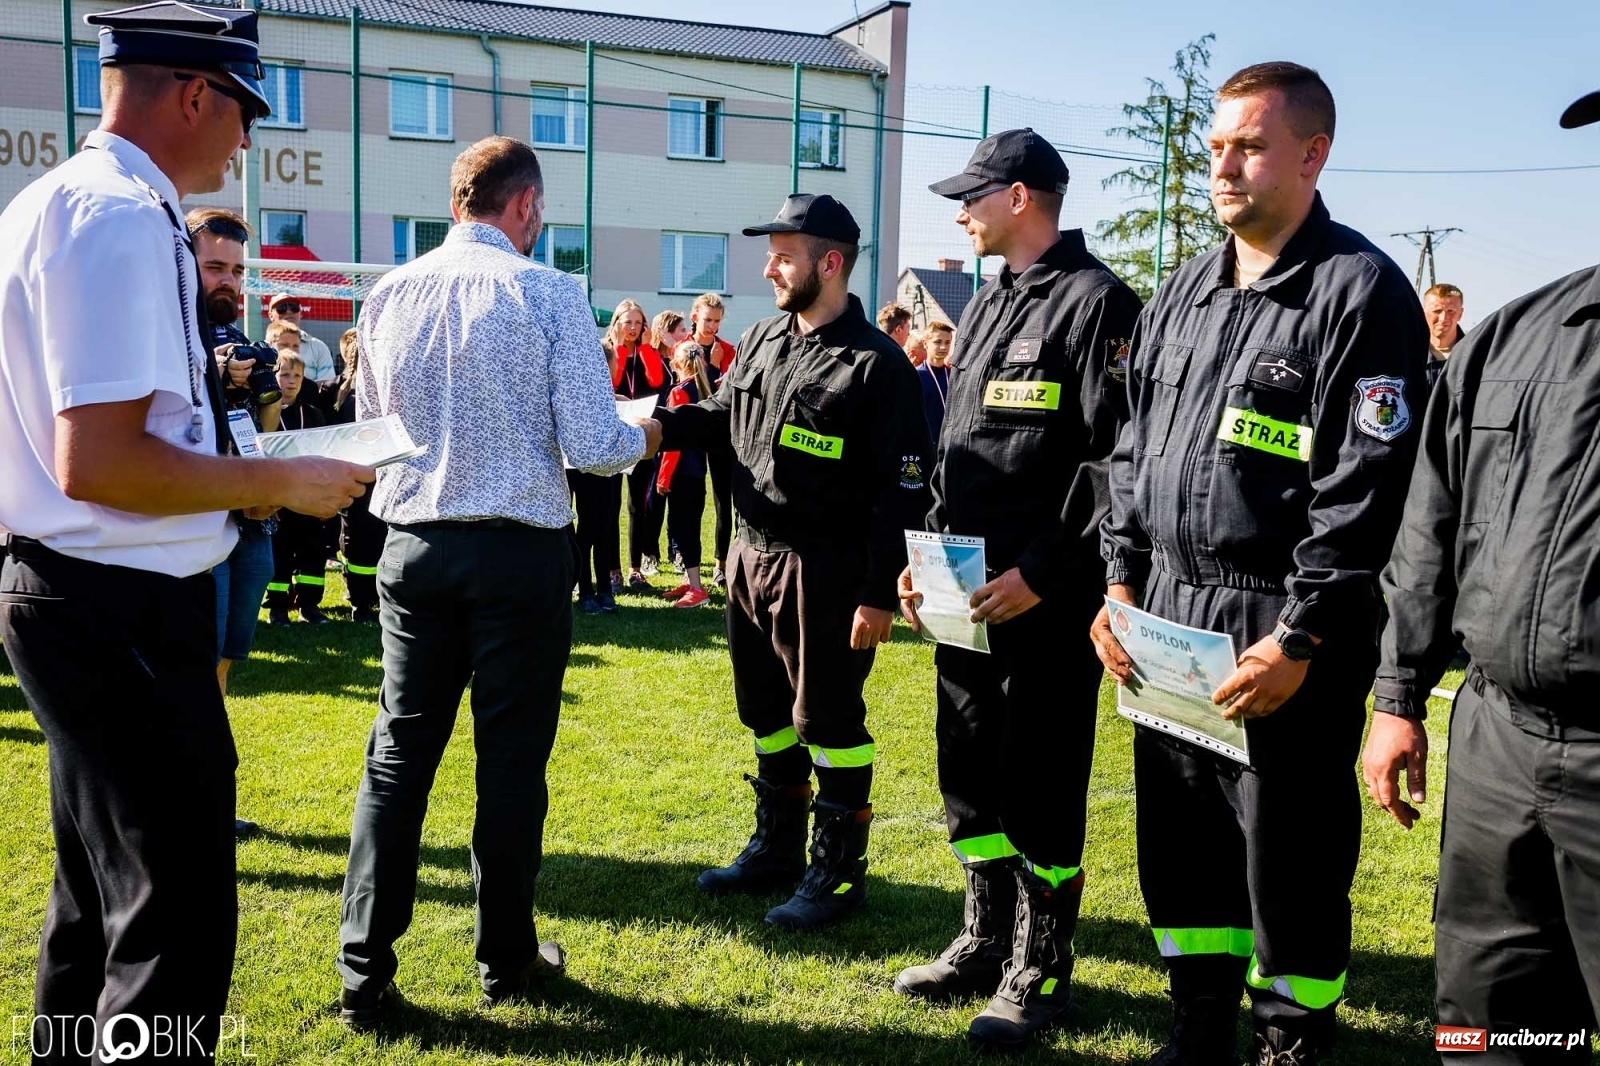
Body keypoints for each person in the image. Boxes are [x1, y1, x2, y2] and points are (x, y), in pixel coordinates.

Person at [0, 4, 372, 1057]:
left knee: (96, 906)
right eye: (246, 112)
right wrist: (281, 480)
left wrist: (242, 477)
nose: (247, 142)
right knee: (172, 925)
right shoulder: (116, 216)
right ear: (198, 95)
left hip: (79, 590)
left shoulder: (56, 204)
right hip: (116, 604)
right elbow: (102, 463)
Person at [1090, 63, 1427, 1065]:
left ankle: (1290, 1039)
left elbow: (1365, 490)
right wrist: (1118, 581)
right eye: (1215, 148)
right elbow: (1131, 451)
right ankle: (1197, 1026)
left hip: (1280, 626)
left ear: (1313, 155)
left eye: (1248, 146)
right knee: (1182, 845)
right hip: (1168, 615)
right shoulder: (1182, 290)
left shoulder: (1359, 291)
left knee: (1289, 858)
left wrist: (1301, 634)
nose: (1223, 168)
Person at [335, 136, 660, 1028]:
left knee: (398, 756)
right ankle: (506, 956)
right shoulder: (547, 291)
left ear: (457, 203)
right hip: (516, 552)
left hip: (413, 544)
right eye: (539, 212)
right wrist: (650, 434)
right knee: (510, 761)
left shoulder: (389, 292)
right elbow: (593, 445)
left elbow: (372, 433)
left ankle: (363, 970)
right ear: (525, 206)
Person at [1362, 90, 1600, 1065]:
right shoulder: (1515, 338)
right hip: (1498, 747)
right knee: (1492, 1029)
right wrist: (1396, 696)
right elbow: (1430, 528)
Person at [892, 128, 1143, 1053]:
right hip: (963, 591)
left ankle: (1041, 965)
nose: (963, 211)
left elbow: (1113, 461)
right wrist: (925, 558)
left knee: (1040, 779)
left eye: (975, 195)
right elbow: (959, 449)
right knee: (968, 769)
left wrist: (1043, 572)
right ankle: (983, 938)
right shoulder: (990, 299)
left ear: (1022, 197)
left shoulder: (1099, 302)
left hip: (1041, 597)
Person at [655, 193, 931, 930]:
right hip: (750, 556)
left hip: (826, 572)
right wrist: (657, 429)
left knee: (829, 720)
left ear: (830, 263)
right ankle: (776, 850)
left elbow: (904, 490)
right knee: (767, 714)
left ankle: (838, 875)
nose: (768, 269)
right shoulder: (763, 338)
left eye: (783, 257)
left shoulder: (877, 365)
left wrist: (878, 592)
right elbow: (723, 415)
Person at [262, 352, 331, 625]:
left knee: (312, 553)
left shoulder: (313, 414)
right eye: (285, 375)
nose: (291, 381)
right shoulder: (263, 413)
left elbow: (324, 456)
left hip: (308, 498)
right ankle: (278, 608)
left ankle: (309, 606)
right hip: (278, 500)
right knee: (279, 554)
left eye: (297, 376)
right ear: (274, 376)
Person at [325, 328, 386, 623]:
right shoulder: (342, 393)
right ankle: (361, 601)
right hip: (356, 481)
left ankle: (378, 599)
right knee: (358, 542)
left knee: (381, 539)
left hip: (383, 479)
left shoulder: (384, 387)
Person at [608, 301, 670, 588]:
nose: (633, 328)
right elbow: (612, 381)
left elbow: (657, 381)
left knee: (637, 505)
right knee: (610, 505)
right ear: (617, 323)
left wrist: (644, 348)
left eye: (638, 323)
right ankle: (613, 570)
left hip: (641, 436)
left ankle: (635, 568)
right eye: (628, 322)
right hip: (613, 435)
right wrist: (620, 347)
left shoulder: (648, 352)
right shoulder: (608, 351)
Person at [655, 341, 716, 608]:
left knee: (683, 528)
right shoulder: (704, 389)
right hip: (697, 470)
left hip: (681, 472)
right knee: (688, 526)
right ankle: (690, 582)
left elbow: (674, 443)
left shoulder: (679, 392)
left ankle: (697, 588)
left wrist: (663, 477)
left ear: (676, 363)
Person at [690, 292, 737, 586]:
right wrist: (710, 367)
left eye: (717, 321)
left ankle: (721, 563)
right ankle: (685, 558)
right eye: (708, 320)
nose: (712, 327)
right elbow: (685, 390)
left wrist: (720, 366)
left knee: (723, 502)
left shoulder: (728, 350)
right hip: (692, 434)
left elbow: (726, 396)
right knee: (691, 501)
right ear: (695, 317)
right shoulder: (684, 348)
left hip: (721, 435)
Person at [267, 290, 335, 383]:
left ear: (300, 313)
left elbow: (327, 384)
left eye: (294, 307)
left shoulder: (319, 348)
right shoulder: (263, 349)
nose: (289, 311)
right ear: (271, 315)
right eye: (282, 308)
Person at [915, 319, 955, 442]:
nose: (943, 347)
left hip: (950, 442)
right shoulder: (916, 375)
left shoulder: (954, 375)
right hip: (925, 442)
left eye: (947, 342)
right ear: (925, 343)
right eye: (938, 342)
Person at [1422, 282, 1465, 391]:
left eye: (1451, 311)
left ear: (1460, 314)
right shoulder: (1409, 356)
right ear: (1423, 313)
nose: (1443, 318)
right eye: (1437, 311)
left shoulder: (1475, 355)